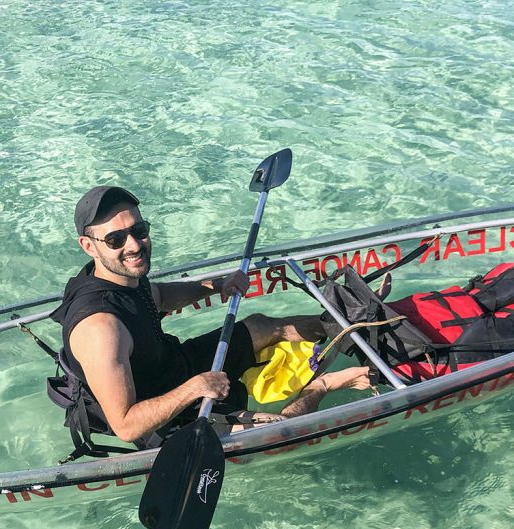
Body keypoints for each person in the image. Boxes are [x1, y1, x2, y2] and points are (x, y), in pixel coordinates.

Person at [49, 185, 369, 446]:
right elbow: (127, 426)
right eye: (116, 239)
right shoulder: (100, 328)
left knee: (259, 324)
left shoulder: (120, 274)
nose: (134, 244)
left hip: (171, 367)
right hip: (160, 419)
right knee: (280, 432)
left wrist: (216, 286)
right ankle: (325, 385)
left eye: (140, 230)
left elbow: (157, 295)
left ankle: (350, 327)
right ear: (88, 246)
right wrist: (195, 388)